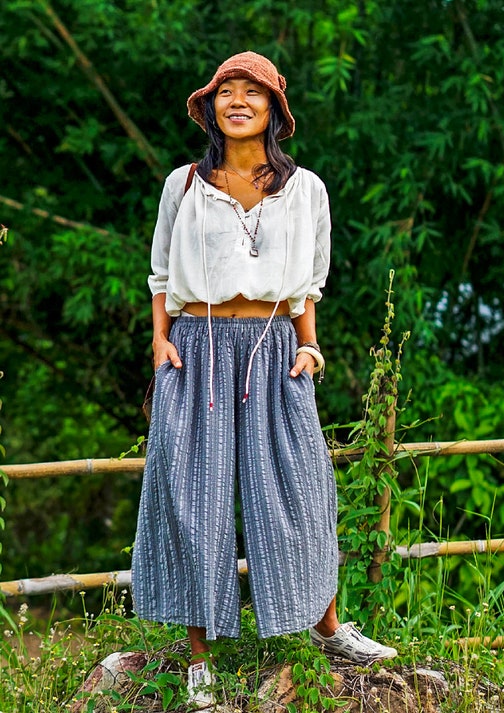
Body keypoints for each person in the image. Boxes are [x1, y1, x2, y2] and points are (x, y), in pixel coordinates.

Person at [131, 51, 397, 707]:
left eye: (254, 91)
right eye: (228, 91)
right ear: (211, 107)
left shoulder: (306, 189)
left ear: (274, 110)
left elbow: (308, 284)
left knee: (304, 487)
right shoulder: (183, 186)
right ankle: (200, 660)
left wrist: (310, 349)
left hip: (277, 348)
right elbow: (162, 278)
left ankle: (329, 627)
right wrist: (161, 341)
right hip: (198, 348)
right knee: (195, 498)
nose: (239, 100)